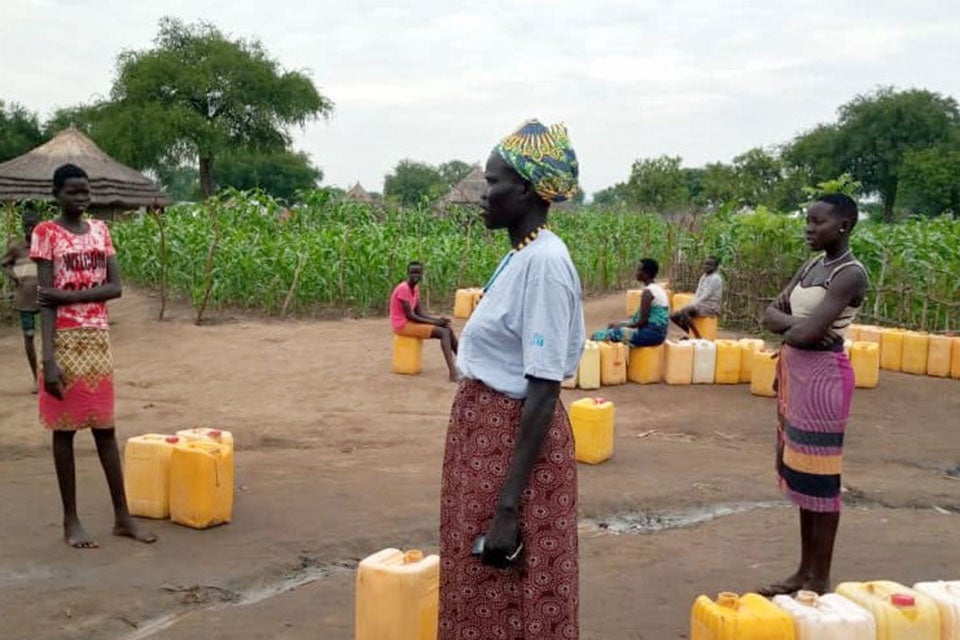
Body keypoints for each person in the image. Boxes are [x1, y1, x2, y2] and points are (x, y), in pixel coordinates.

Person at [440, 120, 585, 639]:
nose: (484, 193)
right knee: (483, 584)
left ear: (524, 189)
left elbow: (544, 388)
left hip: (512, 443)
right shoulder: (522, 253)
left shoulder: (544, 264)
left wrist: (507, 507)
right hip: (489, 439)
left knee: (511, 584)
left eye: (493, 182)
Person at [32, 163, 156, 549]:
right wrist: (47, 360)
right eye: (72, 191)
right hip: (65, 342)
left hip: (98, 339)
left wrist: (68, 296)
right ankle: (71, 519)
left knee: (105, 428)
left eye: (85, 191)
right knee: (64, 431)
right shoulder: (45, 234)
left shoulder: (101, 231)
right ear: (57, 194)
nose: (81, 198)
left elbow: (115, 288)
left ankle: (122, 516)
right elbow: (44, 301)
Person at [758, 193, 868, 595]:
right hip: (795, 375)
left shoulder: (851, 274)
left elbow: (805, 331)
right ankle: (803, 571)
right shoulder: (812, 266)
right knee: (802, 478)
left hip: (823, 381)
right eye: (807, 220)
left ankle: (819, 578)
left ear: (843, 226)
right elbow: (769, 312)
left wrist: (794, 327)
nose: (808, 228)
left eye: (817, 222)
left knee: (821, 482)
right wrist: (799, 328)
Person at [390, 261, 459, 381]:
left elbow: (419, 313)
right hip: (402, 325)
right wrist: (436, 323)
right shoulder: (403, 289)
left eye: (418, 273)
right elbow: (411, 316)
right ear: (408, 273)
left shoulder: (415, 288)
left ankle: (464, 363)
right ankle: (453, 373)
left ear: (422, 274)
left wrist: (438, 320)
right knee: (443, 332)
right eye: (412, 273)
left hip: (410, 322)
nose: (415, 275)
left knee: (447, 329)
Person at [2, 209, 41, 392]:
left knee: (53, 335)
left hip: (45, 298)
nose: (30, 230)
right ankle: (36, 377)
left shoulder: (44, 246)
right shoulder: (16, 248)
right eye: (27, 226)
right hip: (25, 299)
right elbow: (3, 264)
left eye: (33, 227)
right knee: (29, 336)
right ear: (23, 227)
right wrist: (14, 276)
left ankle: (51, 371)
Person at [592, 258, 669, 347]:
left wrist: (620, 325)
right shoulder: (658, 289)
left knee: (599, 335)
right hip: (659, 335)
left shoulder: (648, 292)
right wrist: (621, 324)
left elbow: (641, 322)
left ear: (646, 273)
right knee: (614, 329)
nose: (636, 272)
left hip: (649, 336)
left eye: (639, 269)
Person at [670, 255, 723, 338]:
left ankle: (697, 336)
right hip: (702, 304)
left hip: (711, 306)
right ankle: (691, 333)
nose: (706, 267)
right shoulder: (704, 277)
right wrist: (692, 303)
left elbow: (706, 295)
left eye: (710, 265)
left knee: (685, 312)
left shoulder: (715, 279)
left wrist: (693, 305)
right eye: (705, 264)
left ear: (715, 267)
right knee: (674, 316)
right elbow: (698, 293)